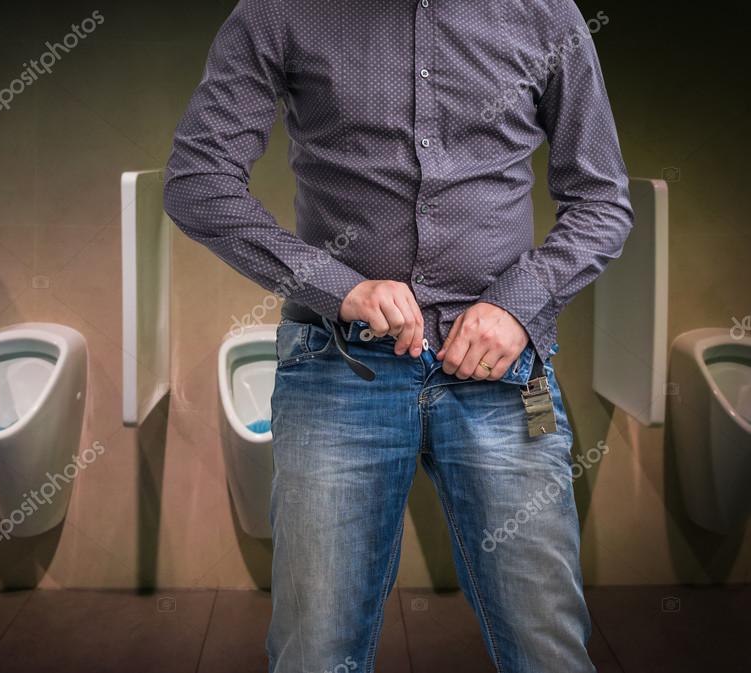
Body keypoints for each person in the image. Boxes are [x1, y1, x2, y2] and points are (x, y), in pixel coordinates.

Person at [163, 1, 632, 671]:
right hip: (339, 364)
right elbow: (196, 184)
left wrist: (516, 305)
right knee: (315, 652)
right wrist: (338, 286)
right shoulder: (278, 13)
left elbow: (602, 200)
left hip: (500, 377)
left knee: (545, 646)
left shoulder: (542, 14)